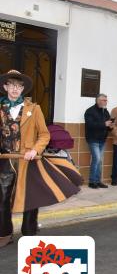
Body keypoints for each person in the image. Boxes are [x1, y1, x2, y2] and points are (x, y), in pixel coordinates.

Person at [0, 70, 82, 247]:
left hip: (28, 160)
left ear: (23, 89)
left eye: (19, 86)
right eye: (11, 85)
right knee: (3, 199)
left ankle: (29, 233)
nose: (15, 89)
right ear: (5, 86)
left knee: (31, 198)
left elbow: (44, 135)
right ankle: (4, 234)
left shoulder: (34, 109)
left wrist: (35, 150)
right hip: (5, 160)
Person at [84, 93, 112, 188]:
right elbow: (90, 125)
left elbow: (107, 125)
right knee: (97, 159)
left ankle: (98, 181)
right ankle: (92, 182)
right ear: (98, 101)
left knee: (99, 161)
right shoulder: (90, 111)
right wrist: (104, 124)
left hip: (102, 139)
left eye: (106, 100)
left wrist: (110, 127)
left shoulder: (105, 112)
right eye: (104, 100)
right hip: (93, 139)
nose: (106, 102)